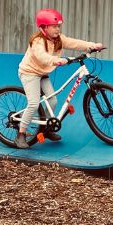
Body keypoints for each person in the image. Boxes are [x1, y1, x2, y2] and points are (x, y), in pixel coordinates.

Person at [15, 8, 104, 149]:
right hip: (29, 73)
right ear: (44, 27)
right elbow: (42, 57)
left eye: (58, 26)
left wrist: (92, 45)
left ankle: (46, 129)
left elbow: (74, 43)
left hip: (42, 73)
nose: (58, 29)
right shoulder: (37, 41)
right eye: (54, 26)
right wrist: (56, 60)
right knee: (33, 103)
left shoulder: (58, 39)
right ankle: (21, 134)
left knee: (53, 100)